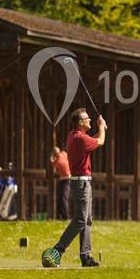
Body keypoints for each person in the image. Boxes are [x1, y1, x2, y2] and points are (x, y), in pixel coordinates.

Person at [46, 108, 106, 267]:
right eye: (87, 119)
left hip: (81, 182)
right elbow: (100, 141)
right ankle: (57, 251)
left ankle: (85, 257)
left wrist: (99, 130)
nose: (90, 120)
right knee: (80, 220)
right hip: (82, 183)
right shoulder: (80, 138)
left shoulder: (74, 136)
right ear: (80, 123)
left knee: (86, 220)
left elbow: (92, 140)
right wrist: (102, 127)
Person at [50, 146, 71, 220]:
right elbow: (53, 165)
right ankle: (60, 216)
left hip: (68, 179)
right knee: (60, 198)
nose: (57, 153)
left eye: (57, 152)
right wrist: (52, 159)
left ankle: (66, 217)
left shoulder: (64, 154)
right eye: (55, 153)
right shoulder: (57, 160)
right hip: (62, 180)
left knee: (63, 198)